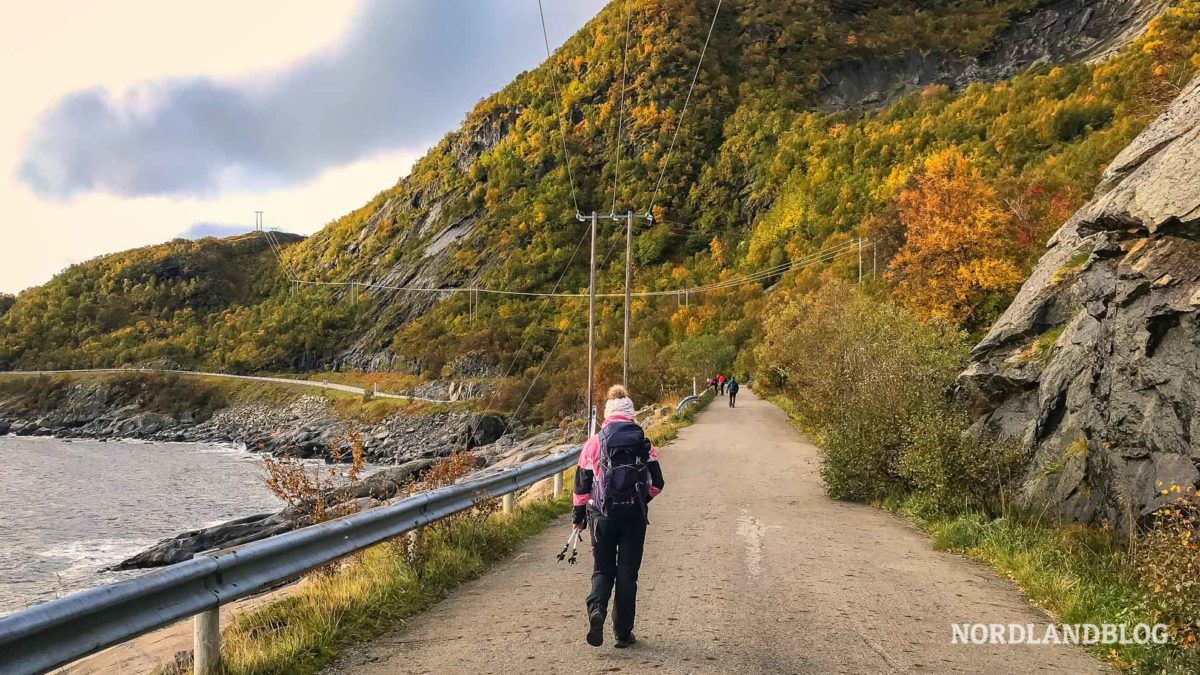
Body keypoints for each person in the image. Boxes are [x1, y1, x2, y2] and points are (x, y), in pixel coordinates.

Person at [573, 385, 665, 649]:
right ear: (630, 414)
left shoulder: (594, 442)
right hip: (633, 517)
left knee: (602, 569)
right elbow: (657, 483)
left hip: (601, 515)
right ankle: (623, 634)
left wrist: (579, 515)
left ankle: (596, 610)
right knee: (627, 574)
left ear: (607, 414)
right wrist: (639, 501)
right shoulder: (644, 443)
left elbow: (581, 486)